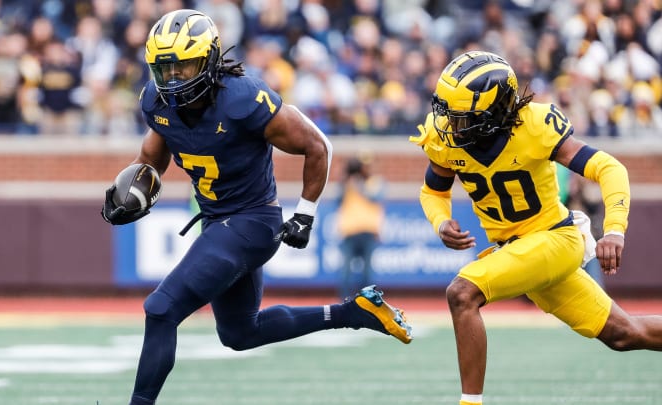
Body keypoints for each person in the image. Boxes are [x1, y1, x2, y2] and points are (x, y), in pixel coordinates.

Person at [100, 9, 412, 405]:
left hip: (252, 222)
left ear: (209, 59)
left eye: (185, 66)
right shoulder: (156, 103)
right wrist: (135, 185)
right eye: (166, 69)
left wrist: (305, 212)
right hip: (218, 222)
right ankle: (353, 313)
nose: (175, 79)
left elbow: (317, 145)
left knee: (161, 308)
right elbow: (152, 156)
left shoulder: (242, 98)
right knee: (239, 333)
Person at [409, 50, 662, 405]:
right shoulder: (446, 137)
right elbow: (433, 191)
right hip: (518, 252)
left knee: (462, 293)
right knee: (624, 334)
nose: (451, 125)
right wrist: (440, 221)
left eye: (463, 117)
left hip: (556, 239)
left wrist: (615, 229)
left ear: (494, 112)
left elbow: (609, 168)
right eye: (449, 114)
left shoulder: (536, 125)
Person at [335, 153, 386, 299]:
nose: (366, 169)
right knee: (345, 271)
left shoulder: (376, 182)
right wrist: (344, 180)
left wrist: (358, 183)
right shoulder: (348, 183)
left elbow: (374, 198)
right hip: (349, 231)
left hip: (368, 231)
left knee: (368, 272)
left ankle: (368, 302)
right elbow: (338, 200)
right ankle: (344, 302)